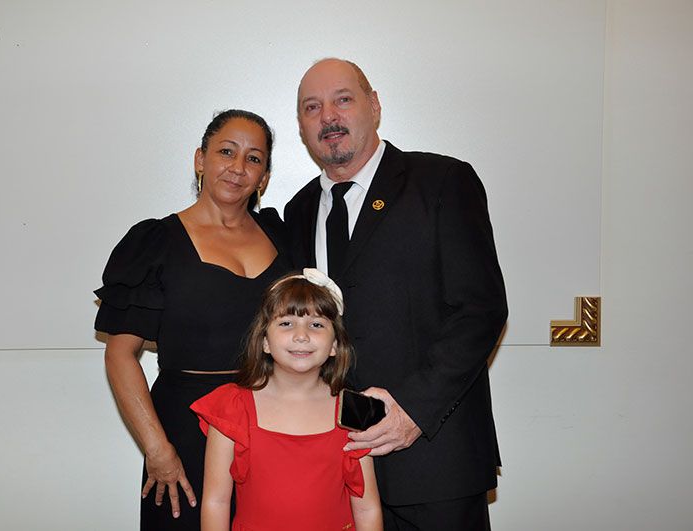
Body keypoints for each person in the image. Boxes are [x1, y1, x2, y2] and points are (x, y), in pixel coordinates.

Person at [284, 58, 508, 530]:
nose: (328, 116)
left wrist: (412, 411)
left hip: (434, 461)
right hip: (337, 469)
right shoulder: (297, 210)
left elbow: (480, 310)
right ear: (301, 126)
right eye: (312, 107)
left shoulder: (443, 182)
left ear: (374, 105)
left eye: (343, 99)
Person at [94, 109, 292, 530]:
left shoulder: (283, 236)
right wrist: (157, 448)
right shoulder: (155, 243)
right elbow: (120, 355)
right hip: (186, 432)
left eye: (254, 159)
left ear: (264, 177)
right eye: (226, 152)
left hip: (271, 424)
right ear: (200, 159)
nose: (238, 168)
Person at [191, 269, 383, 531]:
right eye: (286, 323)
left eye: (316, 325)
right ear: (265, 342)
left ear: (335, 345)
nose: (301, 335)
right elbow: (216, 502)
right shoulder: (231, 407)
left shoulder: (355, 409)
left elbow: (367, 508)